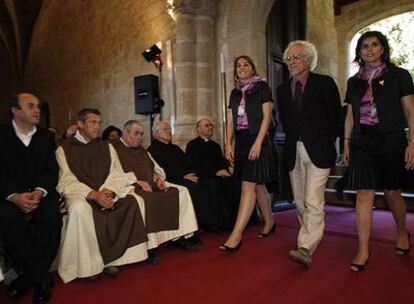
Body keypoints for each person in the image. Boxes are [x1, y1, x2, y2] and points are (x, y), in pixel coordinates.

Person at [343, 31, 414, 272]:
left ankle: (402, 231)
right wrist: (346, 142)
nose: (369, 49)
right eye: (364, 46)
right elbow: (351, 114)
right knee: (364, 193)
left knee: (393, 192)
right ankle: (363, 249)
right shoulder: (354, 81)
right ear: (359, 52)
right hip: (363, 141)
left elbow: (411, 111)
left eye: (374, 45)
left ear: (382, 48)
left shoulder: (399, 76)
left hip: (391, 139)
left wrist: (412, 141)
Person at [56, 108, 149, 283]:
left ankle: (113, 259)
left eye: (99, 123)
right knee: (79, 209)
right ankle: (89, 265)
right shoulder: (64, 149)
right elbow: (66, 180)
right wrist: (93, 194)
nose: (98, 126)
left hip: (105, 190)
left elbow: (116, 173)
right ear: (80, 124)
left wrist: (109, 191)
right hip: (81, 194)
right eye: (93, 122)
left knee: (132, 201)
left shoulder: (106, 146)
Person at [277, 41, 341, 266]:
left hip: (319, 150)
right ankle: (307, 235)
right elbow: (285, 121)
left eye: (297, 57)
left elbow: (336, 119)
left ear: (309, 60)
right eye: (289, 59)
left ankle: (306, 247)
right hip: (294, 151)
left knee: (314, 200)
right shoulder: (283, 89)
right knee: (301, 201)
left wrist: (328, 142)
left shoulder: (324, 83)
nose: (292, 62)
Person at [0, 92, 62, 303]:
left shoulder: (45, 137)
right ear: (15, 111)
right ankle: (41, 278)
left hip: (41, 193)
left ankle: (27, 278)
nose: (37, 110)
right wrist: (13, 196)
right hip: (10, 195)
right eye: (30, 106)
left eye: (38, 106)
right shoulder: (1, 134)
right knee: (7, 219)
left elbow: (52, 170)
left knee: (52, 216)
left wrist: (40, 191)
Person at [111, 120, 199, 253]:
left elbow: (156, 169)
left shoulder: (142, 150)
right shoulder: (113, 148)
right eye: (136, 133)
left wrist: (158, 179)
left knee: (181, 191)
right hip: (128, 186)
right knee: (146, 200)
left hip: (149, 184)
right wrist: (136, 182)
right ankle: (150, 247)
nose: (140, 137)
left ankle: (179, 236)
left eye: (142, 134)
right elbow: (113, 173)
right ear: (125, 133)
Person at [220, 55, 276, 252]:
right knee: (257, 184)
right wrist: (228, 143)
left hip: (258, 139)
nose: (242, 68)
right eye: (238, 66)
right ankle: (270, 221)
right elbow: (230, 119)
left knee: (248, 186)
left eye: (246, 65)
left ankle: (236, 236)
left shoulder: (262, 88)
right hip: (241, 142)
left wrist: (258, 143)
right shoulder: (234, 93)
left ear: (253, 68)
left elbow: (267, 117)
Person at [148, 121, 228, 233]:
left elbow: (188, 162)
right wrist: (183, 176)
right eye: (165, 129)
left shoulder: (175, 148)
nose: (169, 131)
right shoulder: (152, 150)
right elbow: (159, 171)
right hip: (171, 179)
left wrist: (191, 173)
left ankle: (214, 222)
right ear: (155, 134)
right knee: (195, 187)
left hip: (185, 177)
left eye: (169, 129)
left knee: (208, 182)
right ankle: (201, 223)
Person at [186, 117, 240, 230]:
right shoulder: (192, 145)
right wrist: (215, 172)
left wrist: (225, 170)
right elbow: (195, 165)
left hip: (220, 175)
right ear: (198, 129)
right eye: (207, 125)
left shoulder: (215, 145)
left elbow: (221, 162)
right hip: (206, 176)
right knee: (215, 185)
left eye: (211, 125)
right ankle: (219, 224)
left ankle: (237, 221)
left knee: (235, 182)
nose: (210, 127)